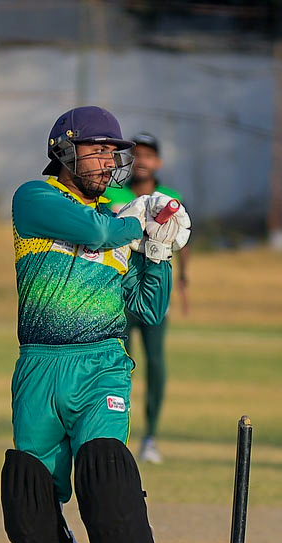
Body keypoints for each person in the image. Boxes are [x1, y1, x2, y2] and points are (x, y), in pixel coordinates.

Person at [1, 105, 191, 543]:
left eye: (114, 152)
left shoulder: (117, 217)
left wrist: (158, 253)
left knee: (107, 475)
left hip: (101, 364)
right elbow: (95, 230)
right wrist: (141, 221)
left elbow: (147, 309)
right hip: (39, 368)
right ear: (64, 150)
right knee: (28, 497)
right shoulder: (34, 199)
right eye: (97, 150)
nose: (109, 161)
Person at [104, 133, 188, 464]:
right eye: (136, 154)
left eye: (149, 155)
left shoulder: (170, 197)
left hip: (153, 295)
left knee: (155, 364)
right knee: (117, 365)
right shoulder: (112, 193)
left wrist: (183, 278)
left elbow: (181, 241)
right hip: (119, 296)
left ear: (159, 162)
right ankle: (114, 434)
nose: (142, 161)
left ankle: (150, 436)